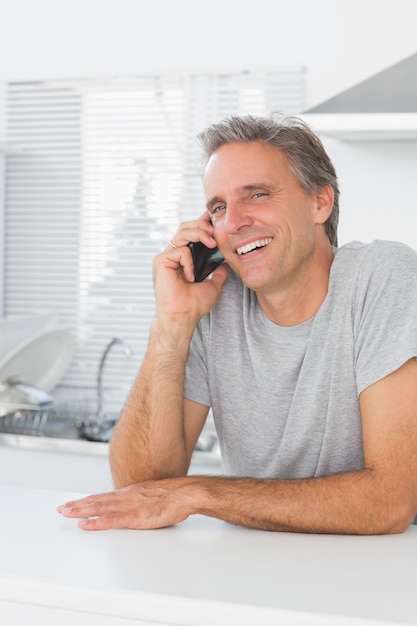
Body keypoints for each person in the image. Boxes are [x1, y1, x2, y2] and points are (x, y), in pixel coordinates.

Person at [58, 114, 417, 534]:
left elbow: (390, 502)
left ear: (320, 202)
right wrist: (172, 323)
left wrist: (200, 494)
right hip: (249, 571)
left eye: (258, 194)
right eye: (218, 207)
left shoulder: (382, 276)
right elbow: (144, 489)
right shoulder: (216, 298)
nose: (232, 222)